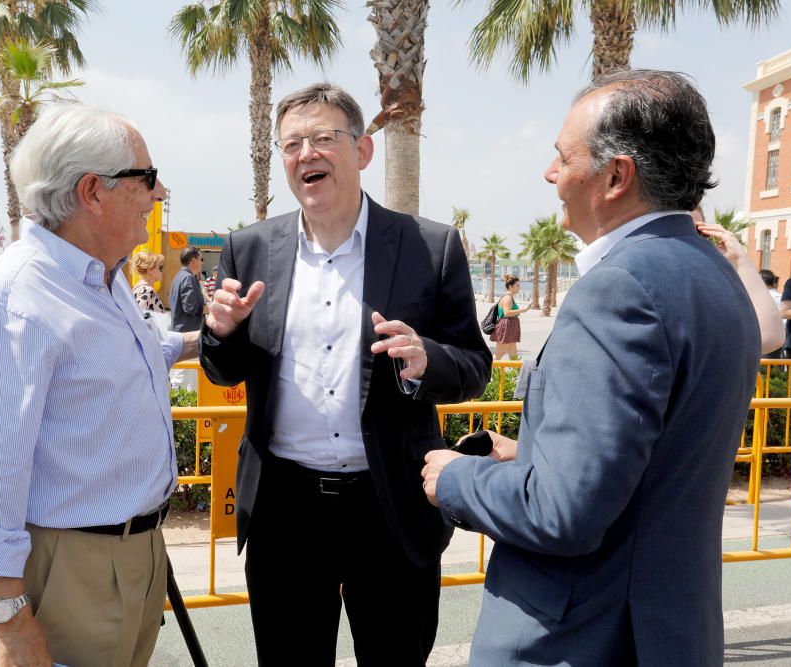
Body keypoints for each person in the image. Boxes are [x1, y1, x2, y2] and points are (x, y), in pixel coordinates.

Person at [422, 70, 761, 666]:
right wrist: (531, 456)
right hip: (669, 630)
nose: (550, 175)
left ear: (615, 176)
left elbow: (563, 514)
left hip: (581, 639)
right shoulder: (715, 277)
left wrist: (454, 479)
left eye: (561, 157)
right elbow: (654, 465)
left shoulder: (619, 289)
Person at [198, 83, 491, 665]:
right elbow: (223, 363)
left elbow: (474, 367)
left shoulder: (429, 246)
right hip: (285, 509)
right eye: (292, 144)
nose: (307, 153)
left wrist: (427, 357)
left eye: (324, 138)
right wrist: (222, 333)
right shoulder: (248, 248)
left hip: (390, 506)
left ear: (362, 152)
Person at [0, 105, 198, 667]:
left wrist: (212, 337)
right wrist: (12, 626)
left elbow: (134, 357)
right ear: (92, 191)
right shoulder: (14, 304)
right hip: (71, 571)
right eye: (146, 178)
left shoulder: (103, 278)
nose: (159, 193)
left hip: (135, 556)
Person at [692, 208, 784, 355]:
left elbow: (769, 337)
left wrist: (740, 260)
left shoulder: (713, 287)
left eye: (699, 232)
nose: (691, 240)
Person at [491, 274, 531, 360]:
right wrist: (523, 310)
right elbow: (506, 313)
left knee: (513, 356)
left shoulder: (509, 297)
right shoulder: (507, 298)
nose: (519, 288)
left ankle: (516, 373)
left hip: (510, 327)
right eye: (517, 285)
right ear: (510, 286)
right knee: (498, 356)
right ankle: (486, 372)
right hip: (506, 327)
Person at [170, 246, 204, 332]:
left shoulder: (180, 276)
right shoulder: (188, 278)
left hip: (180, 330)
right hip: (187, 333)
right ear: (193, 261)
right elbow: (190, 308)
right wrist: (210, 308)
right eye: (201, 259)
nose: (202, 263)